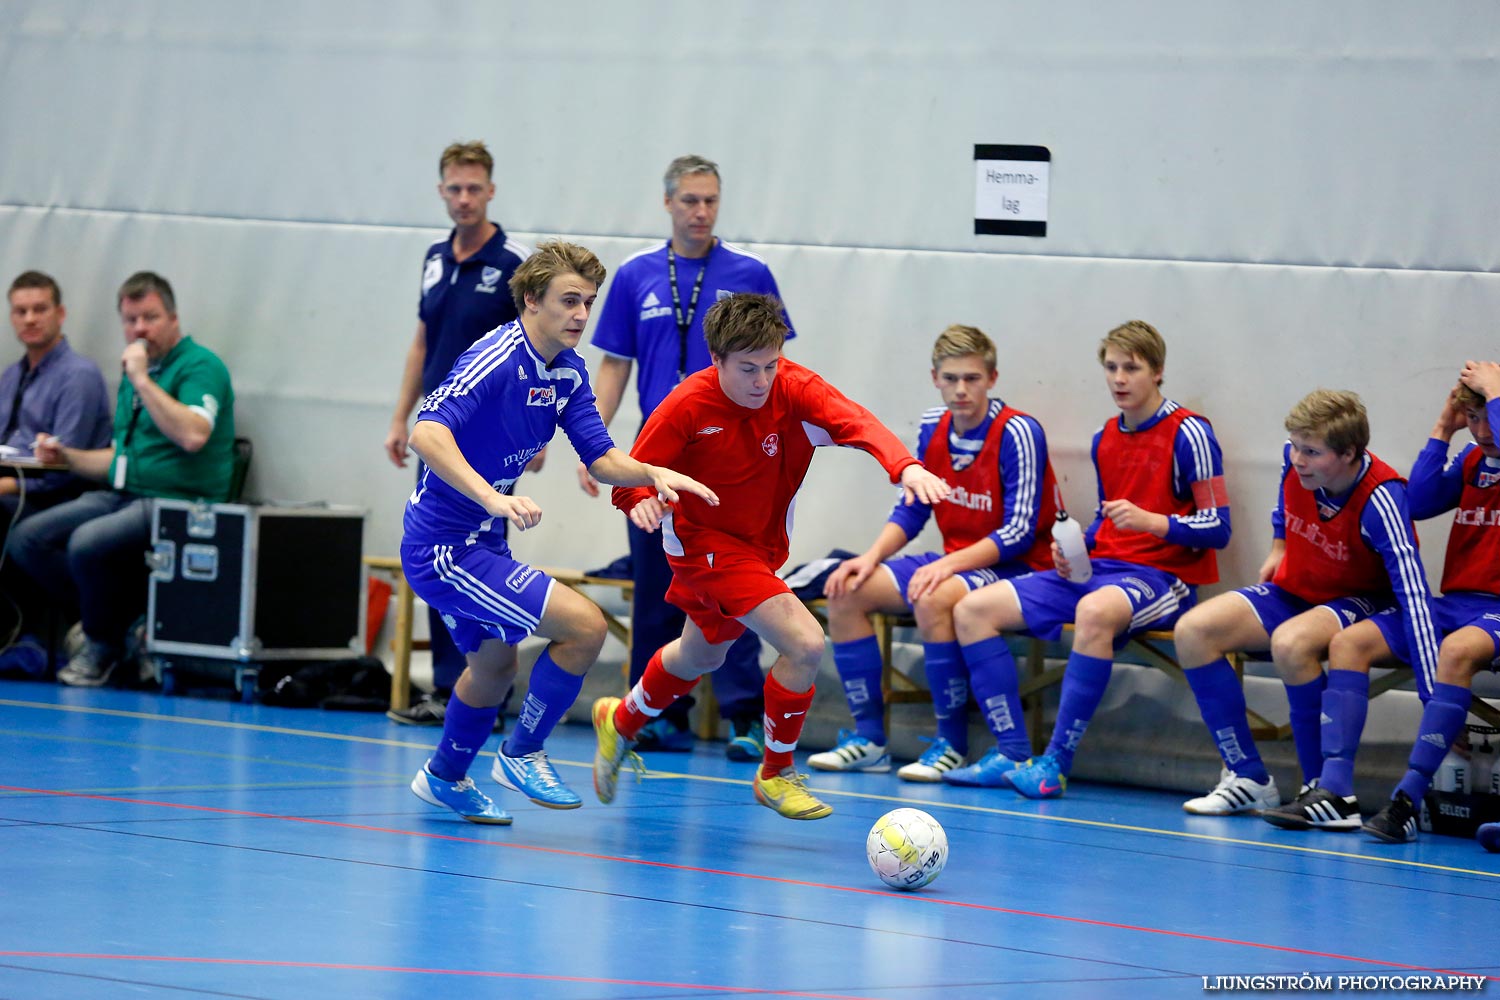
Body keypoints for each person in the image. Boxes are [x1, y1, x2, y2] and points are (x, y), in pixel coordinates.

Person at [591, 292, 950, 821]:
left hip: (757, 551)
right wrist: (640, 501)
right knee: (805, 644)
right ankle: (775, 772)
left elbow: (858, 423)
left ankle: (619, 720)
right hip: (701, 545)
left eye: (770, 365)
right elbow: (631, 471)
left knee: (700, 656)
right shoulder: (687, 403)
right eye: (748, 369)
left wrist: (906, 467)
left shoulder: (794, 389)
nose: (762, 381)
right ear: (716, 361)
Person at [401, 240, 716, 824]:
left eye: (588, 303)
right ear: (529, 300)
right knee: (585, 627)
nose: (580, 315)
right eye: (569, 301)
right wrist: (492, 496)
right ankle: (521, 752)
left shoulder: (568, 372)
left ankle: (443, 777)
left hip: (483, 542)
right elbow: (427, 432)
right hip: (444, 548)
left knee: (495, 668)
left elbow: (599, 457)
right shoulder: (495, 358)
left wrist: (652, 471)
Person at [943, 320, 1232, 794]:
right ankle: (1012, 751)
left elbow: (1218, 527)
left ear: (1158, 372)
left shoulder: (1191, 434)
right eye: (1112, 367)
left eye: (1132, 368)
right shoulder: (1105, 438)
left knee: (1093, 611)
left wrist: (1153, 522)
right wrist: (1077, 548)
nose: (1119, 379)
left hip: (1164, 577)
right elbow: (1108, 520)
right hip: (1104, 571)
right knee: (972, 609)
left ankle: (1054, 762)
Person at [581, 154, 793, 760]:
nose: (701, 212)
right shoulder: (634, 275)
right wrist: (591, 446)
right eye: (690, 201)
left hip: (734, 457)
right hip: (658, 453)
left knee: (741, 583)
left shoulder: (749, 271)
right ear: (668, 203)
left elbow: (776, 369)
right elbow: (615, 366)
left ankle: (744, 716)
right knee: (655, 587)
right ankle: (654, 717)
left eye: (711, 201)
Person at [1171, 390, 1437, 822]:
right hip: (1298, 590)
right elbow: (1285, 492)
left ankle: (1321, 788)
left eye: (1311, 451)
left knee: (1291, 643)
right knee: (1193, 631)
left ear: (1349, 452)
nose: (1298, 458)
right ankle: (1248, 777)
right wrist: (1278, 543)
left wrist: (1435, 694)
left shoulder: (1383, 499)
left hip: (1364, 600)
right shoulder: (1296, 463)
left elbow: (1414, 594)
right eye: (1295, 445)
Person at [809, 324, 1058, 781]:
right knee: (846, 588)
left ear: (992, 378)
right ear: (935, 378)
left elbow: (1020, 533)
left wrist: (946, 565)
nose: (961, 389)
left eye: (972, 378)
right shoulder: (933, 426)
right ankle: (870, 740)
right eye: (951, 379)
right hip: (957, 560)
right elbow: (912, 507)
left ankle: (952, 744)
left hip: (1019, 569)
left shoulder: (1018, 432)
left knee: (933, 595)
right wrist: (870, 557)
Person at [1277, 367, 1494, 842]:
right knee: (1349, 642)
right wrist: (1442, 430)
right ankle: (1335, 791)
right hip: (1457, 603)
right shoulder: (1476, 459)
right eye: (1472, 419)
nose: (1481, 431)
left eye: (1489, 418)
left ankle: (1407, 800)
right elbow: (1415, 500)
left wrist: (1498, 394)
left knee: (1455, 652)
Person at [9, 272, 236, 687]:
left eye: (150, 317)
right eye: (131, 321)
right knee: (28, 539)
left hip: (180, 501)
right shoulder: (139, 375)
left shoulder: (199, 367)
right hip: (126, 492)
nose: (140, 330)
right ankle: (123, 625)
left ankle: (102, 646)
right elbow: (119, 458)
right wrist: (67, 457)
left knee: (87, 543)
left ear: (173, 318)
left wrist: (142, 380)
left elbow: (193, 434)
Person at [384, 140, 535, 728]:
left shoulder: (515, 260)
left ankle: (488, 684)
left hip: (490, 434)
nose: (465, 198)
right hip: (436, 432)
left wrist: (536, 429)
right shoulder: (433, 258)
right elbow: (422, 342)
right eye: (455, 188)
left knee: (482, 549)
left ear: (491, 191)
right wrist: (402, 417)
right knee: (432, 547)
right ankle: (449, 687)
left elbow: (532, 345)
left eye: (475, 187)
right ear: (442, 191)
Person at [1, 271, 112, 539]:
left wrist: (7, 484)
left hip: (54, 496)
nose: (30, 319)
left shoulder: (78, 376)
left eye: (39, 309)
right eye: (21, 311)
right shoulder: (10, 376)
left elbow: (64, 468)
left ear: (60, 314)